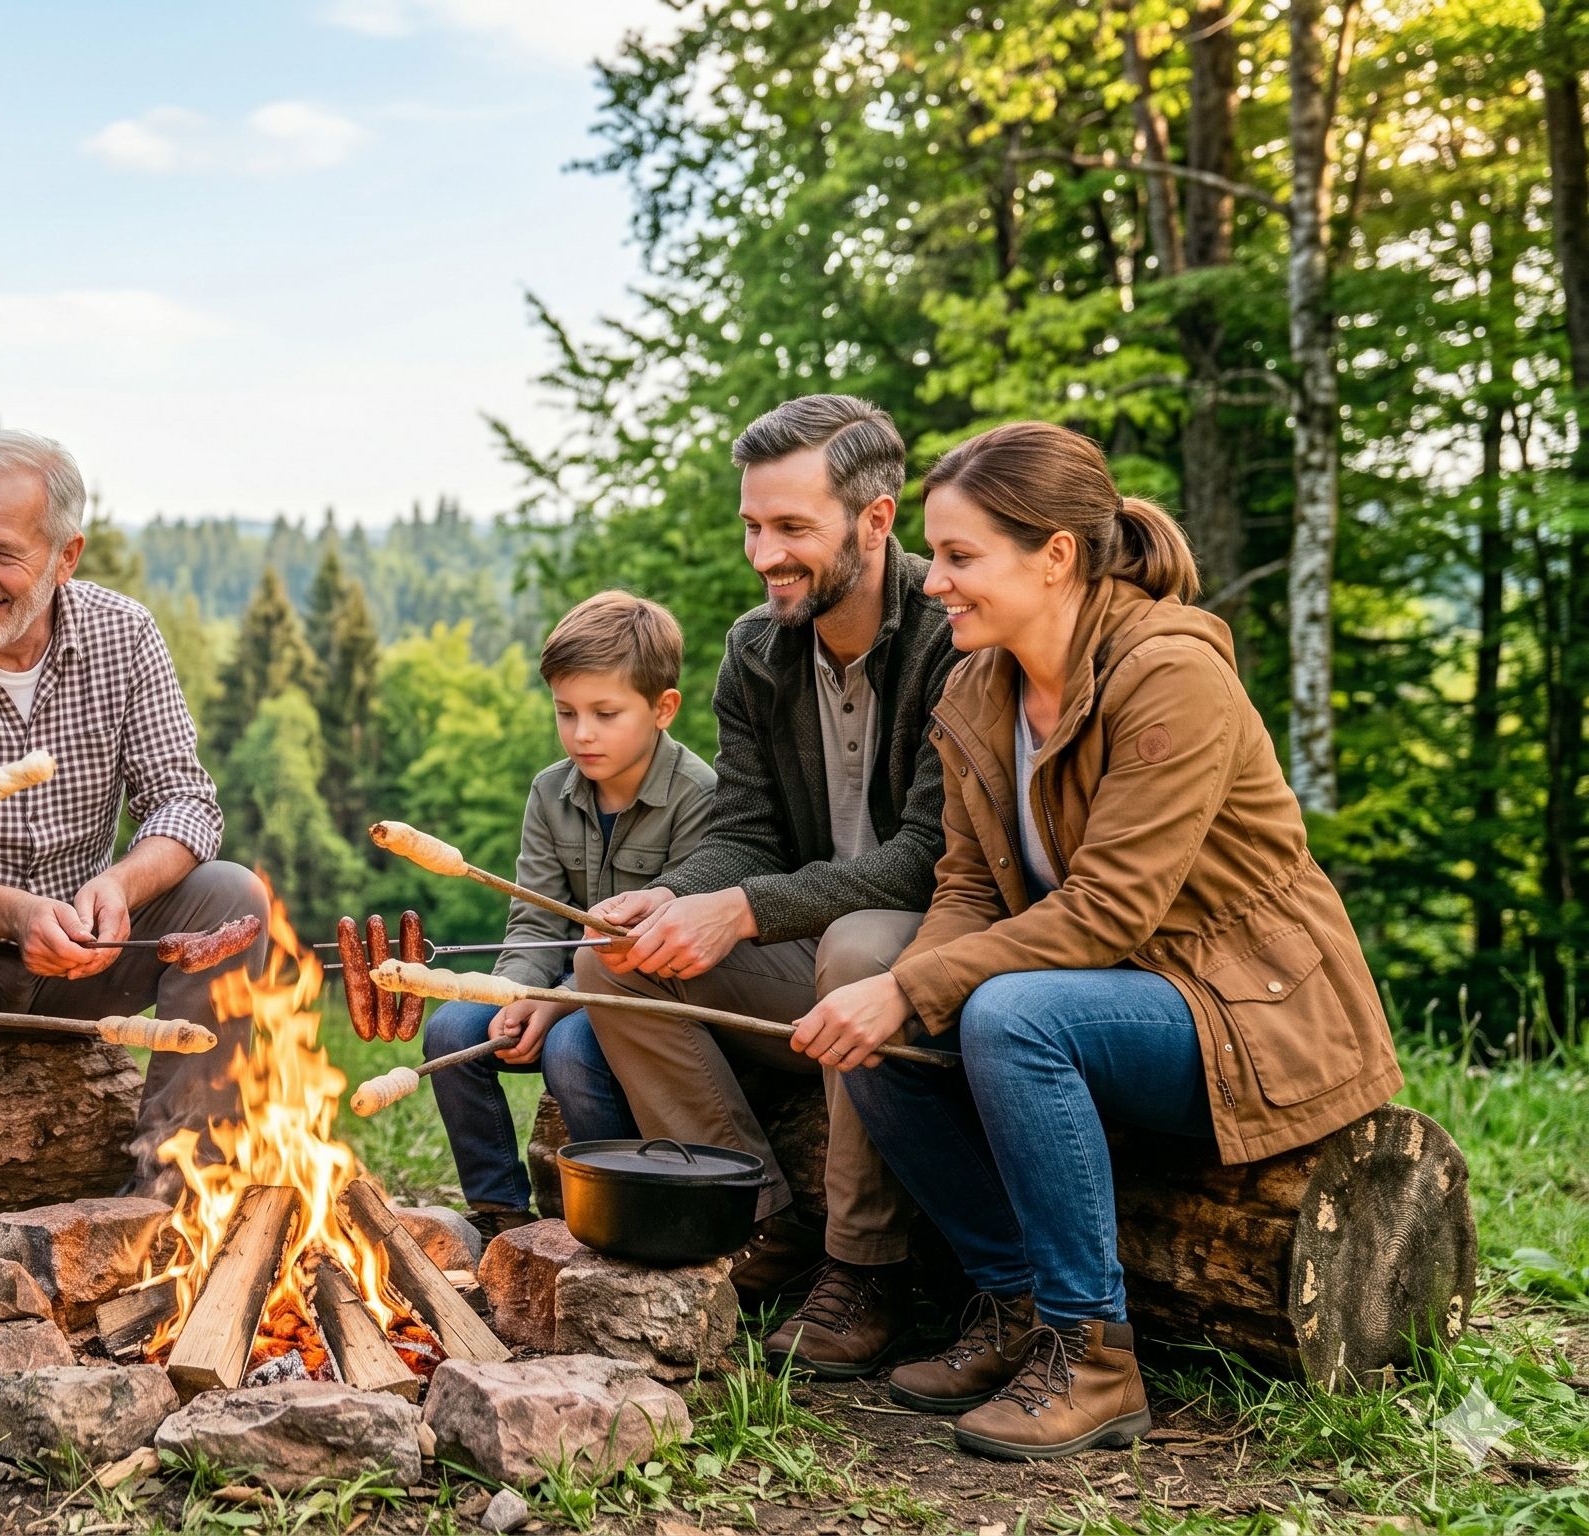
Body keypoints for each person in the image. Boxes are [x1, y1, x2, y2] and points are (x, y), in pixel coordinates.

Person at [807, 422, 1401, 1459]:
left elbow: (1110, 912)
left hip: (1238, 1010)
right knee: (886, 990)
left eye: (959, 557)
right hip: (1104, 995)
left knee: (996, 1010)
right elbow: (963, 888)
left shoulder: (1169, 674)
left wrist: (921, 991)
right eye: (934, 555)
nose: (932, 582)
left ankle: (1093, 1358)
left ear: (1056, 555)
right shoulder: (977, 688)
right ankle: (1014, 1305)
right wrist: (900, 990)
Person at [572, 394, 957, 1376]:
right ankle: (757, 1219)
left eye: (791, 528)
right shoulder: (755, 651)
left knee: (857, 943)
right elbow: (743, 833)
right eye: (752, 525)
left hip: (940, 950)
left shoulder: (953, 640)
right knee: (610, 957)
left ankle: (862, 1274)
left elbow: (928, 852)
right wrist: (671, 896)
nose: (763, 553)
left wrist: (741, 910)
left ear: (874, 522)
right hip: (814, 946)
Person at [0, 428, 264, 1305]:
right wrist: (17, 915)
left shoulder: (124, 634)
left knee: (231, 892)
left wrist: (117, 887)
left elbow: (186, 802)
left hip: (85, 954)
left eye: (2, 553)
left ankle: (175, 1193)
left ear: (67, 554)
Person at [421, 591, 712, 1239]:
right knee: (453, 1032)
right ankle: (498, 1213)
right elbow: (532, 923)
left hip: (645, 1006)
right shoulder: (550, 792)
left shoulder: (697, 796)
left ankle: (623, 1215)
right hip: (556, 990)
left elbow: (659, 958)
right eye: (566, 712)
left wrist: (556, 1004)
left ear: (663, 709)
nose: (582, 733)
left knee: (572, 1047)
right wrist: (515, 993)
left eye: (606, 714)